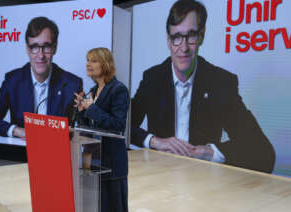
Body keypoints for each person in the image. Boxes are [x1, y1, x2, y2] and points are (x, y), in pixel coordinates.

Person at [131, 0, 275, 173]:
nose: (183, 48)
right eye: (176, 37)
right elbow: (120, 126)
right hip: (160, 176)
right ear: (168, 41)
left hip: (202, 182)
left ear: (201, 36)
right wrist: (154, 141)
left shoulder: (220, 82)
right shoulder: (152, 78)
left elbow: (263, 151)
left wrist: (211, 152)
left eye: (191, 36)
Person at [0, 16, 82, 138]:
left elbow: (82, 132)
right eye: (34, 47)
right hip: (21, 154)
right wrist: (17, 131)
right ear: (27, 49)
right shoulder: (13, 80)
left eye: (46, 47)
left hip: (57, 154)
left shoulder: (72, 84)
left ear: (55, 47)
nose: (40, 55)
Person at [74, 48, 129, 212]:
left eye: (93, 60)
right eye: (87, 60)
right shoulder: (92, 91)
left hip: (111, 161)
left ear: (105, 64)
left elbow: (118, 125)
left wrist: (91, 109)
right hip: (92, 160)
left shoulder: (118, 90)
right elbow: (88, 127)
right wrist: (81, 110)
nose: (88, 64)